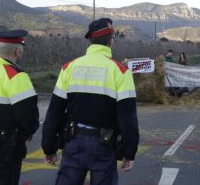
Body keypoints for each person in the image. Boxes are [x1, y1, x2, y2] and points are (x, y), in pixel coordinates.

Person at [42, 18, 139, 185]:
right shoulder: (121, 72)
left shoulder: (68, 68)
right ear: (110, 40)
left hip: (73, 143)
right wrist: (129, 152)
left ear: (90, 40)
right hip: (104, 146)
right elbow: (127, 117)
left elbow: (54, 112)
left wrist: (48, 147)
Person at [0, 30, 39, 185]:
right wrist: (29, 130)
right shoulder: (16, 76)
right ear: (17, 51)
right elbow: (27, 114)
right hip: (5, 144)